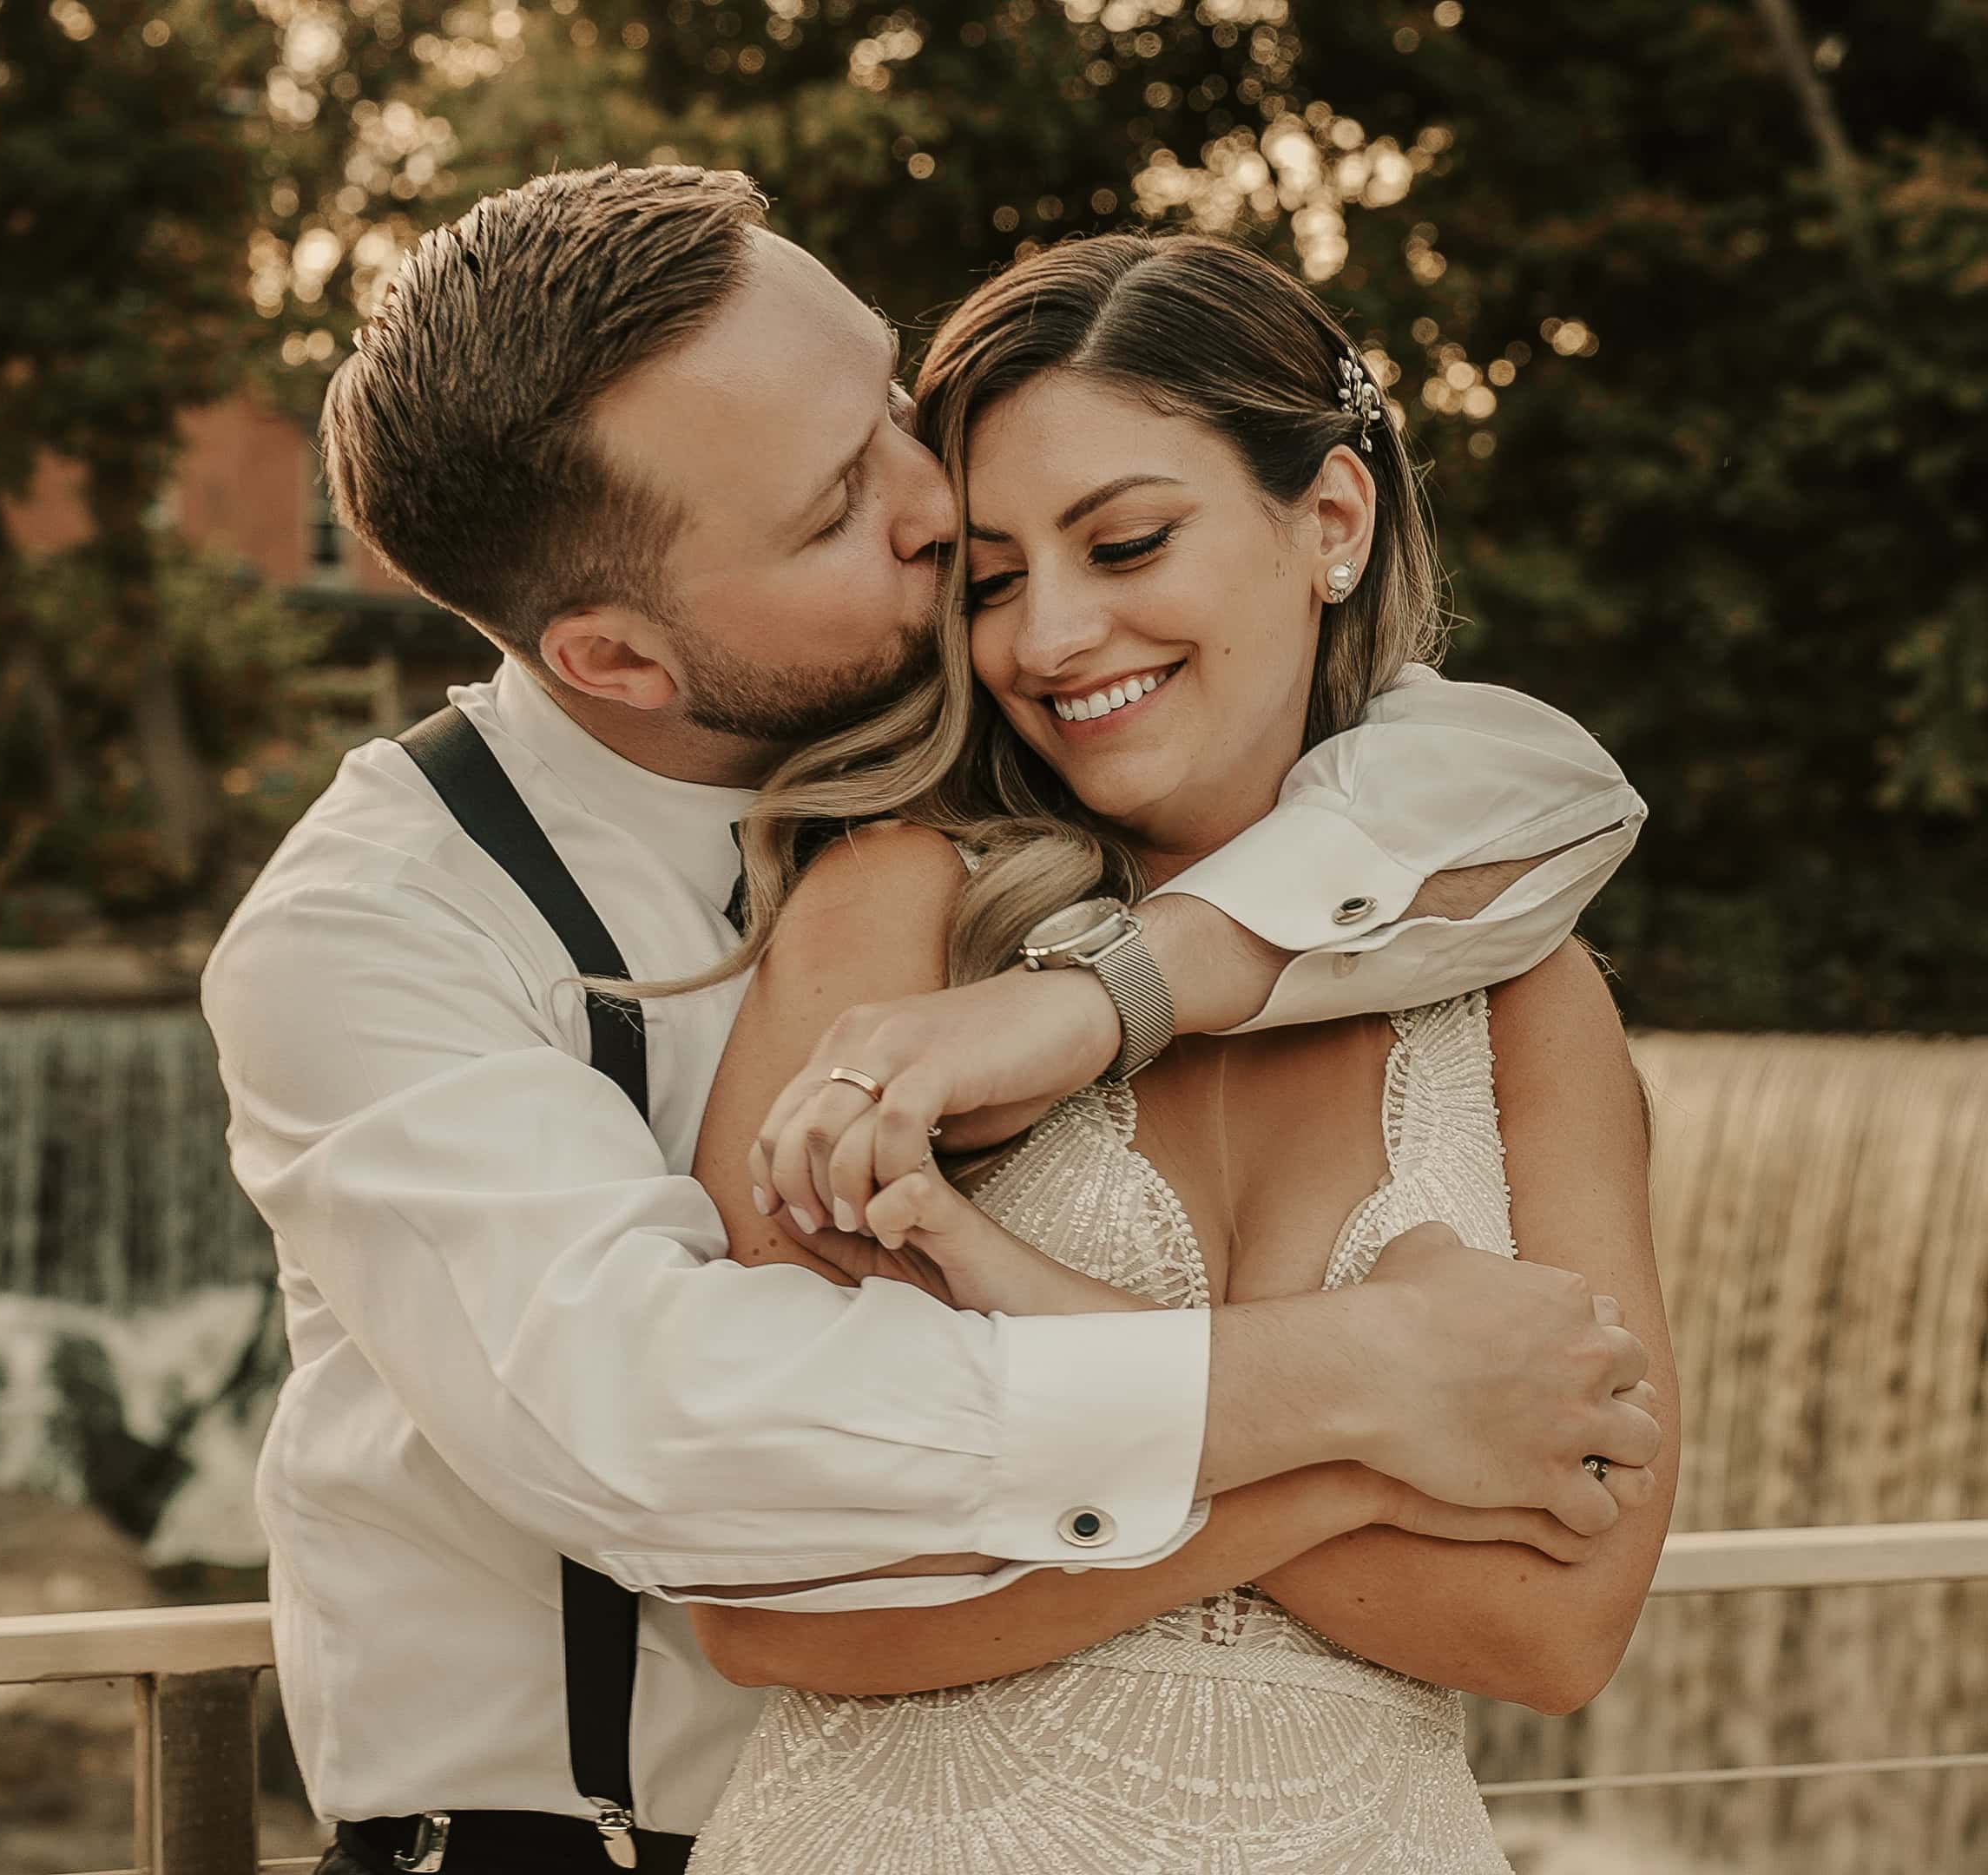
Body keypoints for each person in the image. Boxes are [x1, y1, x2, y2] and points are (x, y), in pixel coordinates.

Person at [204, 164, 1658, 1875]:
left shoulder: (1049, 766)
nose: (930, 495)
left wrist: (1108, 1000)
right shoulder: (374, 935)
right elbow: (687, 1445)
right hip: (579, 1842)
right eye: (835, 510)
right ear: (615, 657)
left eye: (891, 403)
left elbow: (1506, 772)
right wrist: (1373, 1389)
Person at [669, 232, 1675, 1874]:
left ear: (1330, 521)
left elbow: (1553, 1631)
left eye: (1125, 541)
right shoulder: (898, 916)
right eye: (990, 579)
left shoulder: (1528, 998)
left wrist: (1030, 1339)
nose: (1051, 637)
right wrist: (1396, 1417)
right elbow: (771, 1592)